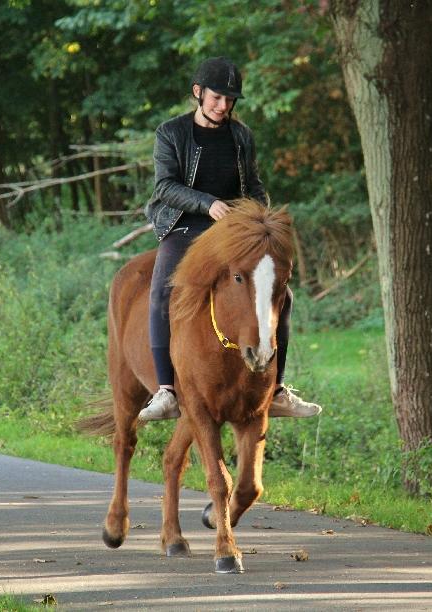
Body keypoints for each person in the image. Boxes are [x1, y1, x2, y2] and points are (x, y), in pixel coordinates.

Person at [139, 56, 321, 422]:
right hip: (184, 226)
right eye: (216, 98)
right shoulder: (170, 133)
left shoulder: (241, 136)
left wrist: (259, 215)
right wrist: (208, 204)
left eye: (229, 100)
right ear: (198, 93)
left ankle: (277, 389)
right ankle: (166, 391)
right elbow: (165, 187)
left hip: (231, 231)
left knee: (282, 295)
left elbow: (253, 185)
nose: (223, 106)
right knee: (161, 291)